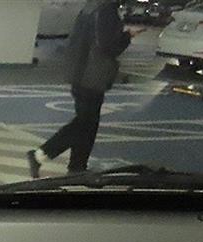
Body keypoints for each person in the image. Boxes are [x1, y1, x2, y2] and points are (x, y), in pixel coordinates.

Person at [27, 0, 141, 178]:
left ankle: (77, 166)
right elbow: (107, 46)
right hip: (92, 74)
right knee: (84, 123)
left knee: (87, 123)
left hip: (80, 71)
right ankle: (40, 155)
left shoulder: (90, 7)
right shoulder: (106, 10)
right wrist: (127, 36)